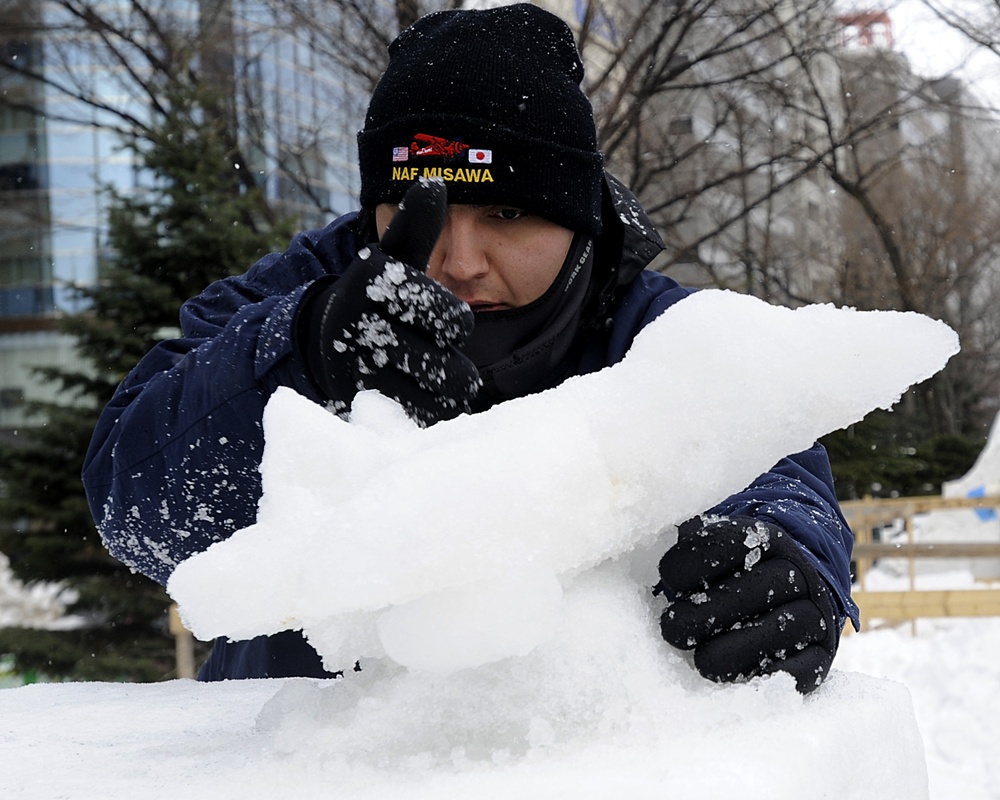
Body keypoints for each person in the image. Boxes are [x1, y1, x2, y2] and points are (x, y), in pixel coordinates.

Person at [82, 3, 858, 692]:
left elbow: (782, 483)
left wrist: (792, 564)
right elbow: (136, 518)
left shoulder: (668, 338)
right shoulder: (285, 308)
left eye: (508, 212)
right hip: (293, 758)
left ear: (578, 214)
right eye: (414, 206)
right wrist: (298, 355)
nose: (458, 262)